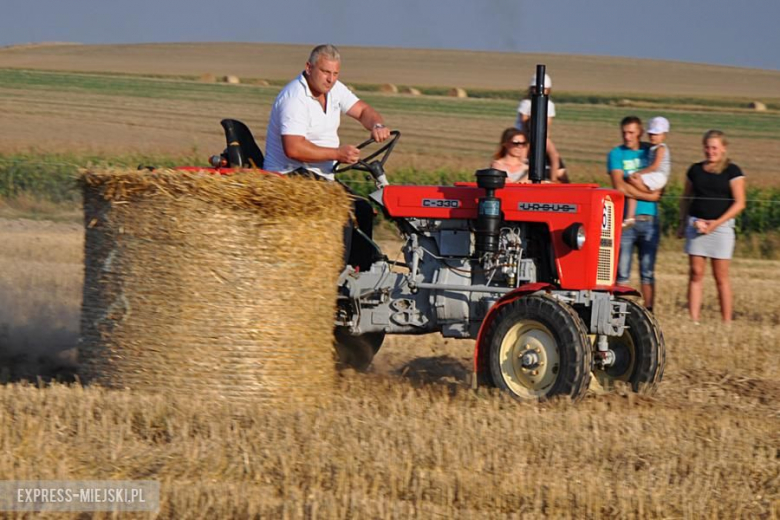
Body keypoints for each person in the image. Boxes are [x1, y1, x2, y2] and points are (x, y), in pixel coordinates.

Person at [264, 44, 391, 180]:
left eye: (335, 73)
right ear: (309, 68)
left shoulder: (335, 89)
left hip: (321, 176)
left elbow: (363, 111)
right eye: (325, 72)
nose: (330, 79)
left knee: (362, 201)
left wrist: (377, 125)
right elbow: (294, 149)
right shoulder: (294, 98)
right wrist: (337, 154)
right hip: (290, 177)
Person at [677, 130, 746, 323]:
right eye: (707, 147)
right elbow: (686, 198)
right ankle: (694, 320)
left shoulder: (733, 171)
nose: (710, 151)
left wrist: (716, 224)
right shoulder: (695, 170)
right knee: (696, 273)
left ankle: (726, 321)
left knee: (721, 275)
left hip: (721, 228)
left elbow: (740, 202)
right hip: (696, 224)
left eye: (714, 147)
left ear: (723, 148)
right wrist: (683, 222)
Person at [608, 116, 662, 311]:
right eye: (624, 132)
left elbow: (661, 183)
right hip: (625, 220)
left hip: (649, 219)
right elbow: (619, 187)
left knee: (647, 272)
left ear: (640, 132)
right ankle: (617, 309)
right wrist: (649, 196)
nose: (627, 136)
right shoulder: (615, 154)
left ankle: (649, 310)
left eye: (631, 132)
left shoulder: (651, 152)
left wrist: (650, 194)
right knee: (621, 272)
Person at [514, 73, 567, 183]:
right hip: (524, 134)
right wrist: (527, 138)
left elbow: (548, 123)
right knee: (524, 155)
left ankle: (553, 179)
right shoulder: (526, 103)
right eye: (534, 88)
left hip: (541, 134)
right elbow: (524, 121)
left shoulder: (550, 104)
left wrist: (545, 137)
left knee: (554, 155)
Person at [624, 116, 672, 227]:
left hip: (659, 176)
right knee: (632, 184)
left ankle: (650, 195)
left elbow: (655, 166)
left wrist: (639, 173)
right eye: (651, 134)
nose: (652, 137)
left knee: (632, 181)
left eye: (656, 134)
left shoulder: (661, 148)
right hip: (655, 175)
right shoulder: (652, 148)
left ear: (664, 135)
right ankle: (630, 217)